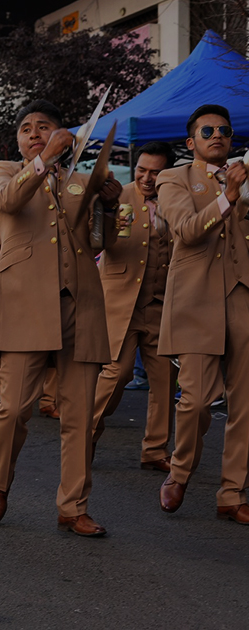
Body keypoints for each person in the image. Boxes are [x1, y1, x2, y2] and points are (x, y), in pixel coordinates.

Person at [0, 99, 120, 537]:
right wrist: (43, 159)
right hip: (24, 304)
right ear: (18, 141)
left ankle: (73, 505)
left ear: (66, 136)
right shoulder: (1, 172)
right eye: (27, 128)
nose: (35, 132)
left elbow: (102, 242)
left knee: (79, 413)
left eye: (45, 126)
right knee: (14, 408)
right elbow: (7, 199)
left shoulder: (81, 180)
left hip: (80, 303)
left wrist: (109, 207)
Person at [156, 104, 249, 523]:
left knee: (245, 404)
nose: (218, 135)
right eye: (208, 130)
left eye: (225, 130)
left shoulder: (245, 179)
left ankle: (232, 494)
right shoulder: (173, 178)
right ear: (192, 142)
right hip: (195, 300)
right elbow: (186, 230)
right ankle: (179, 471)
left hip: (243, 296)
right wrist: (228, 197)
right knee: (195, 402)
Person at [91, 141, 177, 472]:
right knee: (117, 372)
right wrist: (108, 208)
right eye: (142, 169)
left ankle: (155, 450)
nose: (147, 177)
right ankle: (86, 436)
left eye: (155, 172)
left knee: (164, 378)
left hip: (162, 302)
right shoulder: (117, 196)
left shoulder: (176, 199)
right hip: (119, 301)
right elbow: (98, 240)